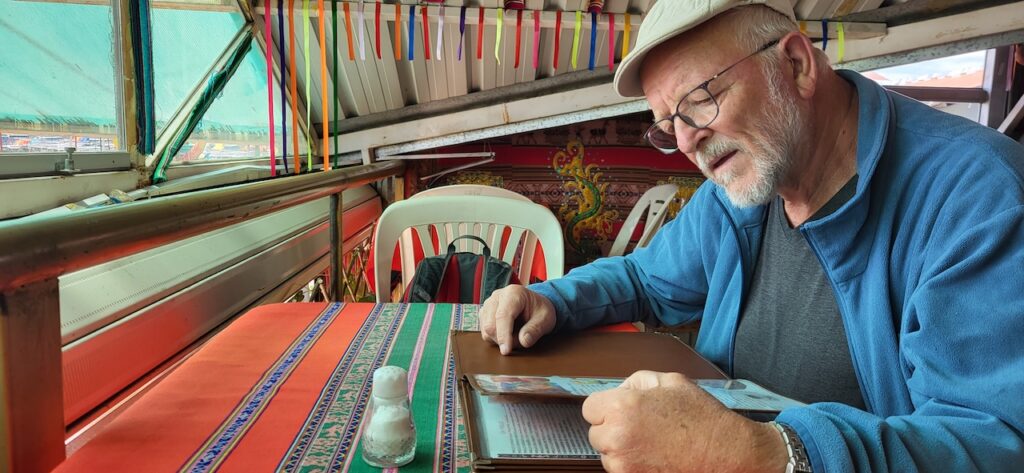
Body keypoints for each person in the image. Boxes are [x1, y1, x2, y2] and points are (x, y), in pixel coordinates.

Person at [478, 0, 1024, 472]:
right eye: (669, 124)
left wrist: (762, 454)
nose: (687, 141)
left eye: (700, 100)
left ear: (796, 65)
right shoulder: (744, 190)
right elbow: (645, 278)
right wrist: (552, 299)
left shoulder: (976, 196)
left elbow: (992, 443)